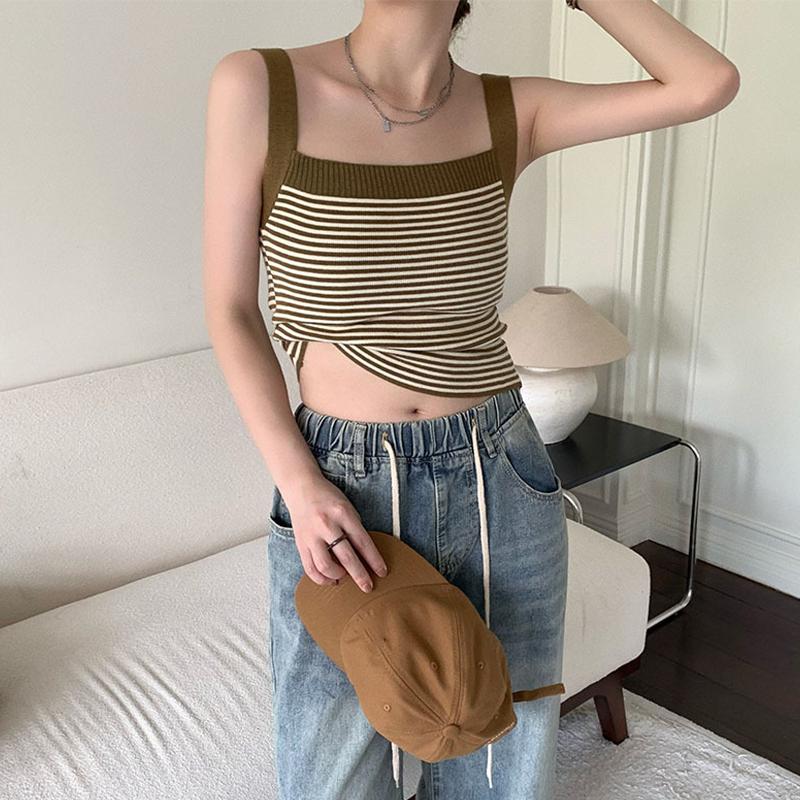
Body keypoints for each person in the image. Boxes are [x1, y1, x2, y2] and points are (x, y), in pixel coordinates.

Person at [202, 2, 739, 798]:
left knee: (502, 758)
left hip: (500, 471)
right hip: (339, 483)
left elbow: (706, 82)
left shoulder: (510, 110)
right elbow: (230, 310)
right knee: (328, 768)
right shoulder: (259, 86)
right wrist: (300, 484)